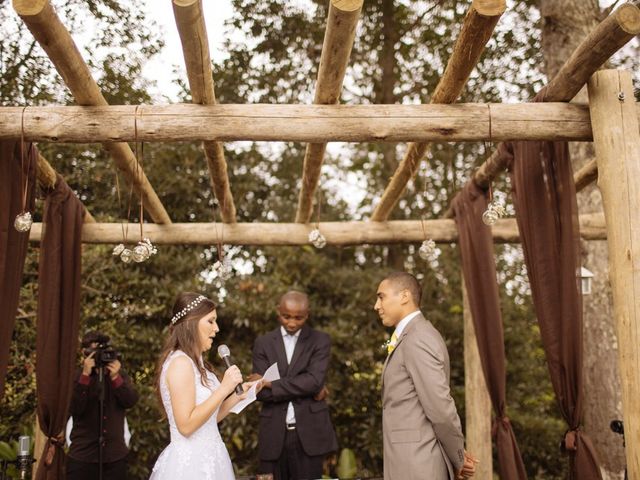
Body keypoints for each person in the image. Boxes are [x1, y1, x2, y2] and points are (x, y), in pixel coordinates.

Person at [374, 272, 478, 480]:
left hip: (419, 465)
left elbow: (440, 407)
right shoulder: (410, 336)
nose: (376, 305)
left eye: (381, 297)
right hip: (408, 463)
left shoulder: (418, 337)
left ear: (404, 296)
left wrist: (457, 456)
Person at [150, 292, 258, 480]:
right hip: (191, 466)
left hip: (213, 458)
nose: (216, 329)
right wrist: (224, 388)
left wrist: (238, 396)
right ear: (191, 323)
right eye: (211, 321)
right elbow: (186, 426)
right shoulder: (180, 363)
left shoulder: (198, 364)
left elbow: (208, 419)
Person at [251, 290, 337, 480]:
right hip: (273, 435)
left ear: (307, 314)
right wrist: (303, 387)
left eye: (299, 318)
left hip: (310, 435)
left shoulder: (320, 340)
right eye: (286, 316)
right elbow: (260, 393)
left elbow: (314, 382)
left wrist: (271, 384)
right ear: (278, 311)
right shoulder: (263, 343)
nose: (291, 323)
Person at [67, 331, 139, 480]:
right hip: (83, 455)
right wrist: (85, 376)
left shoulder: (118, 375)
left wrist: (115, 378)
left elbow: (130, 401)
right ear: (84, 353)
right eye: (94, 351)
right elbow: (74, 408)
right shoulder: (76, 377)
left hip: (114, 455)